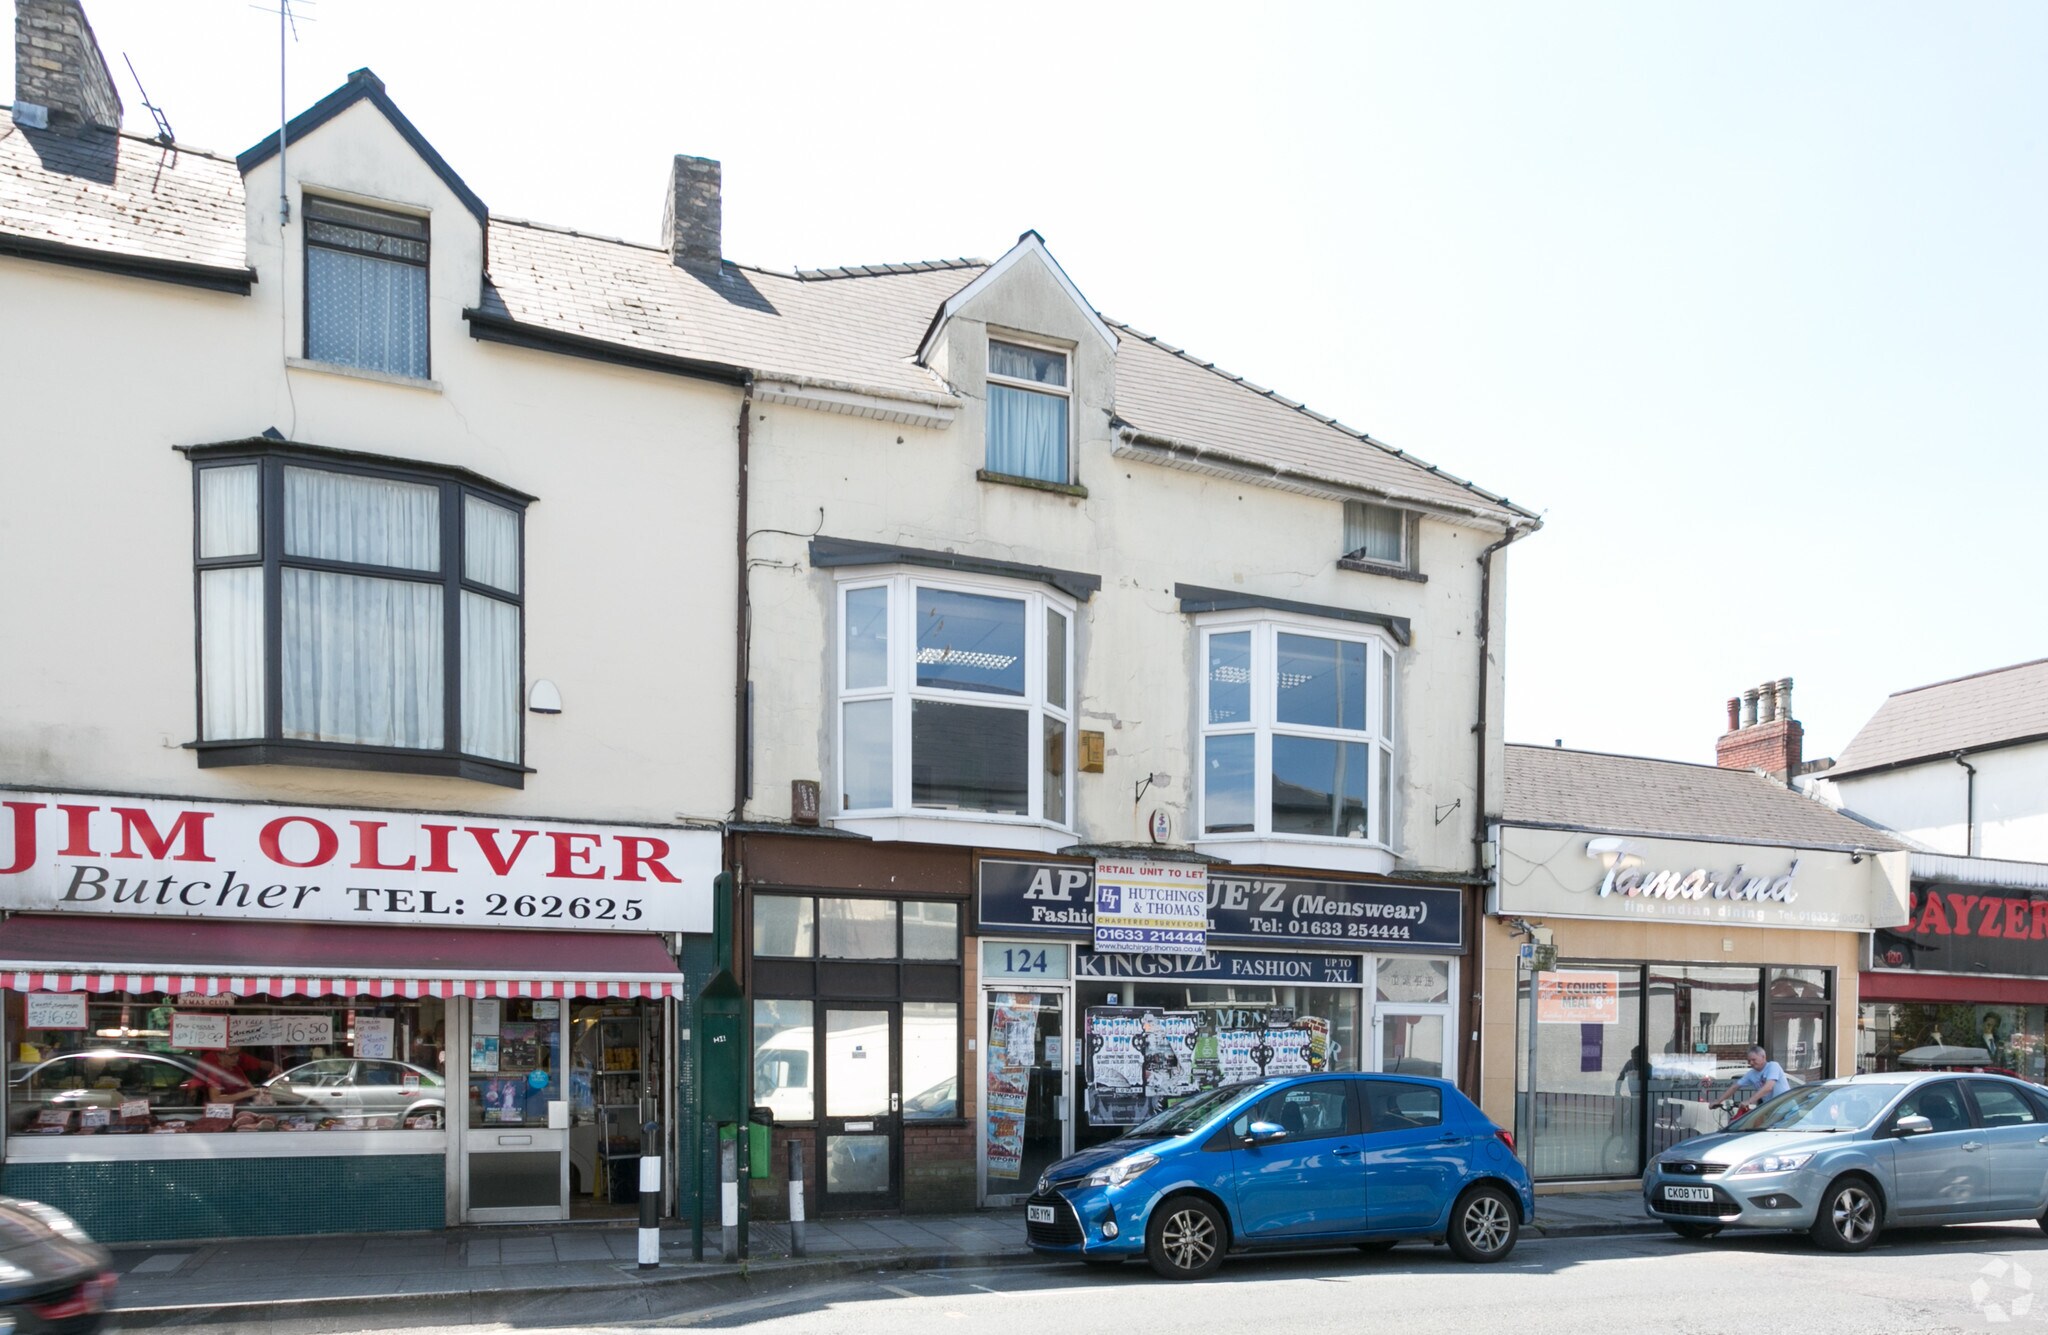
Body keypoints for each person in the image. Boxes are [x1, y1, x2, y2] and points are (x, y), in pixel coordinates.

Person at [1717, 1045, 1792, 1114]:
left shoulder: (1773, 1066)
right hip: (1773, 1111)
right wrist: (1718, 1101)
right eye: (1749, 1061)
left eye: (1753, 1059)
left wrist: (1749, 1101)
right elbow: (1735, 1087)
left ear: (1763, 1057)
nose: (1751, 1063)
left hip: (1787, 1109)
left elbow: (1768, 1087)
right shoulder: (1751, 1074)